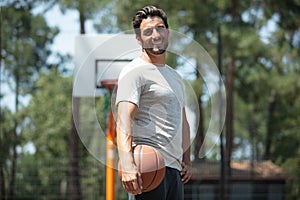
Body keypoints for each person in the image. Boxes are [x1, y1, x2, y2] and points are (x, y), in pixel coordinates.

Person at [115, 5, 192, 200]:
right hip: (148, 168)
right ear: (139, 39)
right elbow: (124, 118)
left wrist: (187, 160)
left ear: (168, 32)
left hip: (175, 170)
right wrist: (127, 162)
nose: (155, 35)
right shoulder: (134, 72)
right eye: (148, 32)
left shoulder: (176, 77)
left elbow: (183, 121)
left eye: (160, 28)